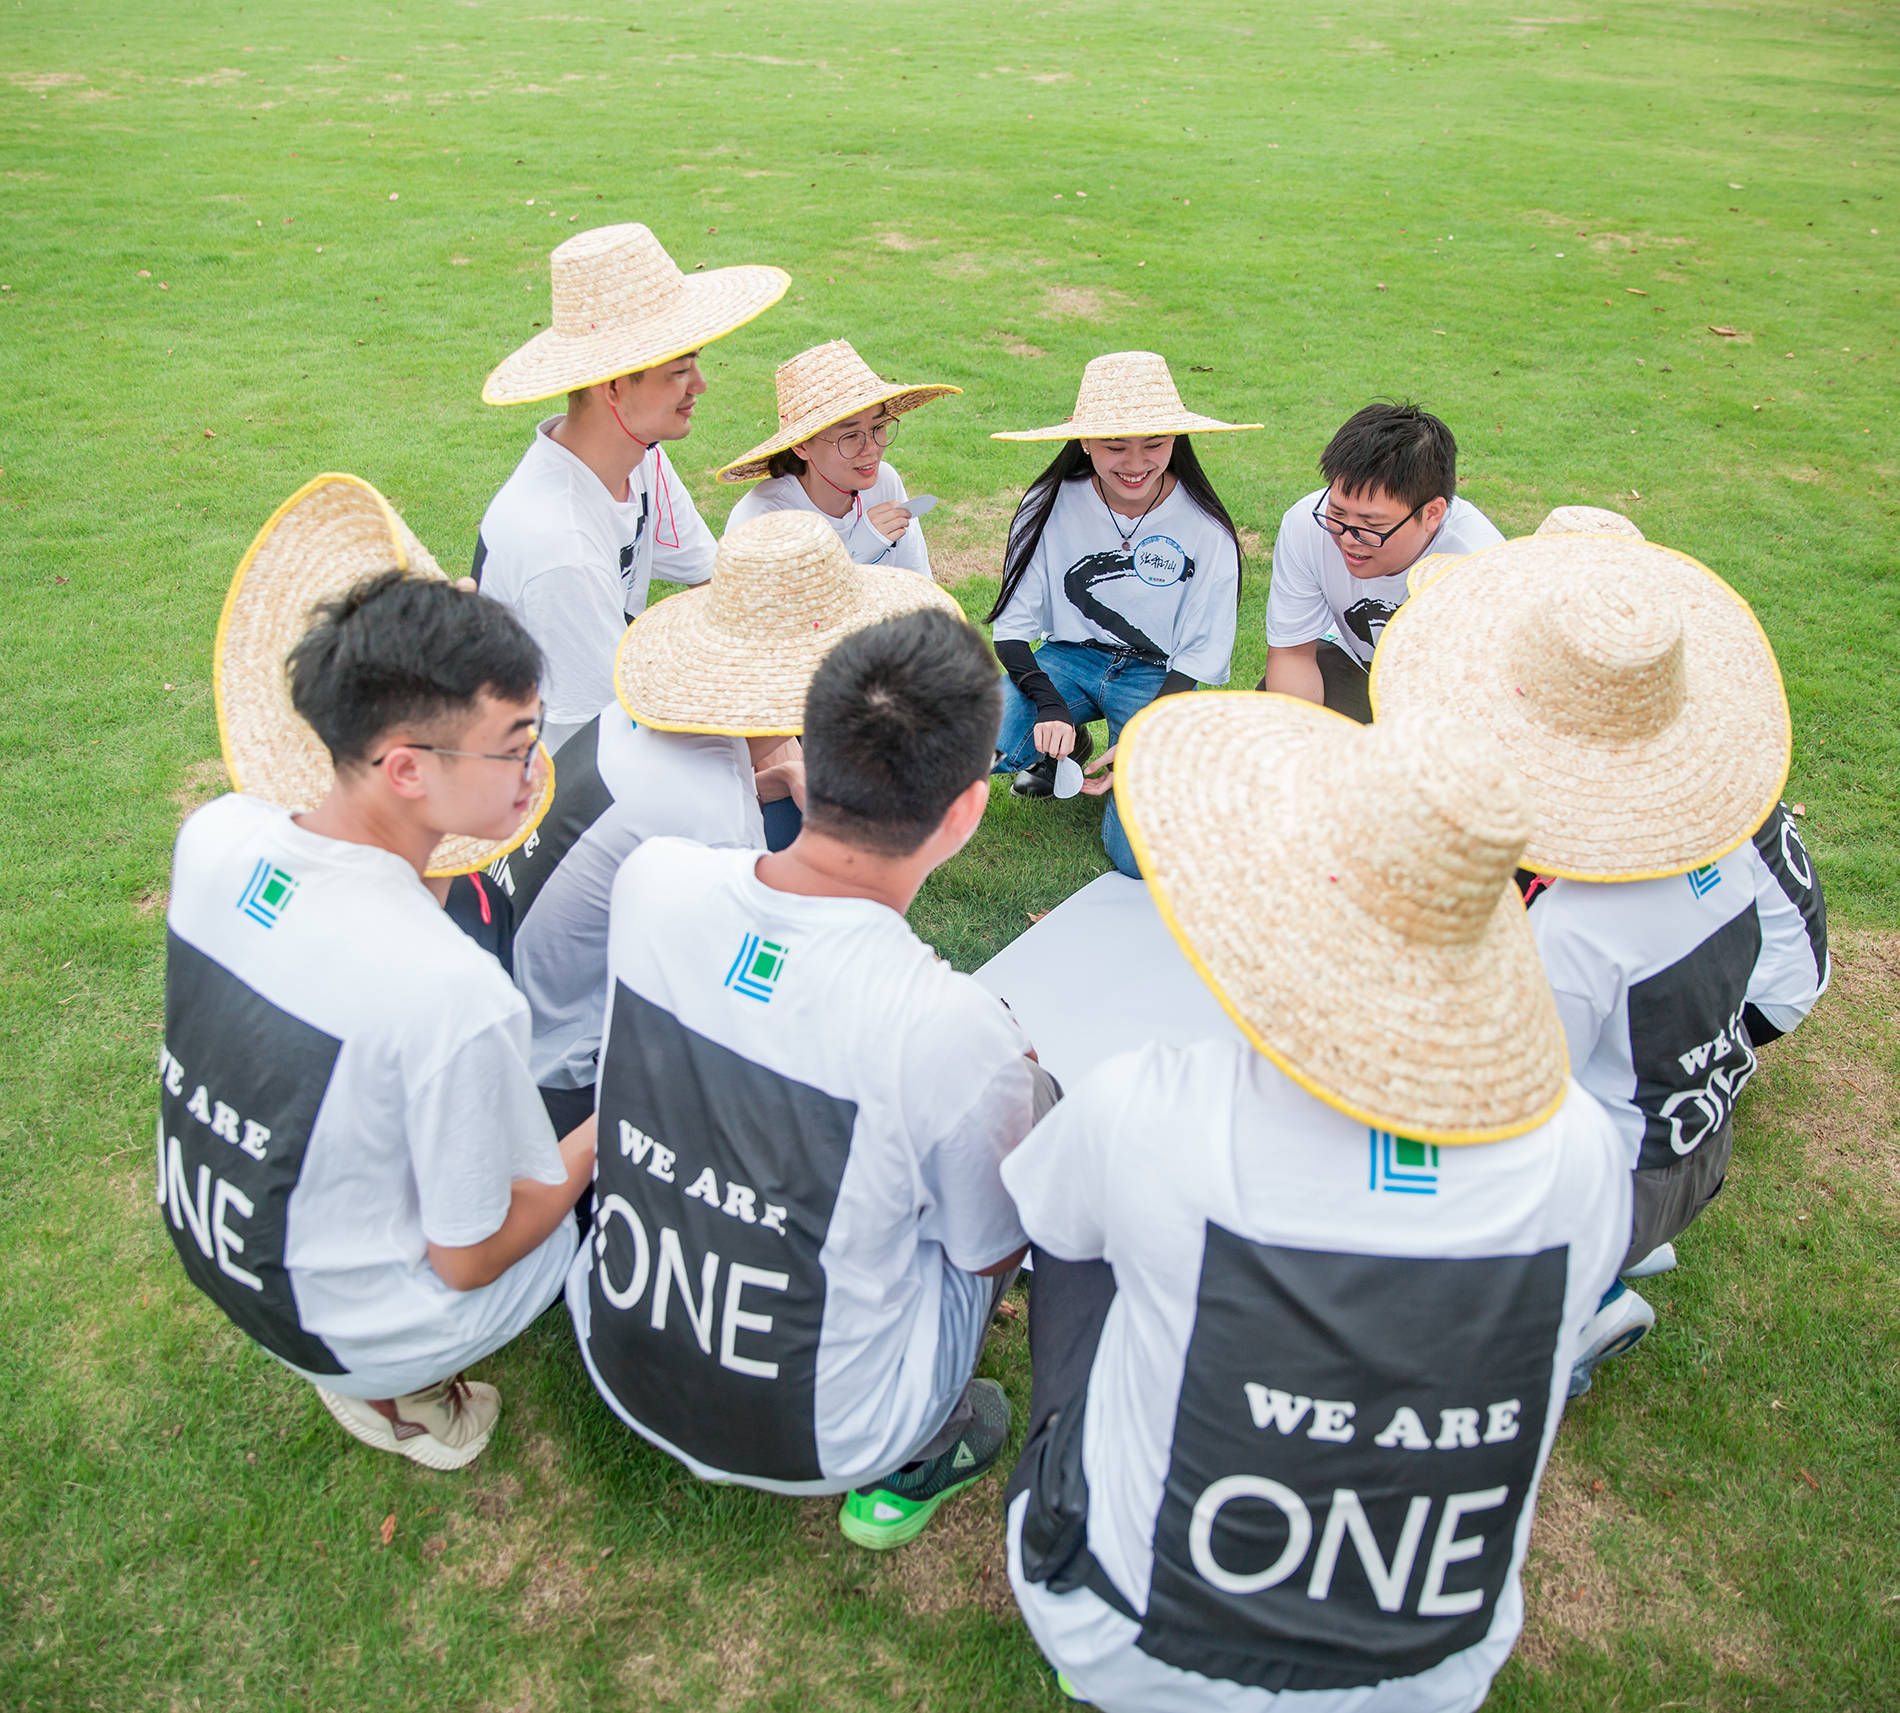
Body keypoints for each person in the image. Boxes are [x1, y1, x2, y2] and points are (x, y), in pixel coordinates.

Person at [1003, 695, 1630, 1712]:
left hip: (1126, 1634)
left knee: (1075, 1237)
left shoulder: (1153, 1108)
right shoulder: (1579, 1152)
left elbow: (1049, 1225)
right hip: (1431, 1670)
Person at [567, 606, 1055, 1551]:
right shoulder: (953, 1028)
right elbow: (988, 1246)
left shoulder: (656, 879)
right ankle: (931, 1442)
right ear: (966, 808)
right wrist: (1020, 1082)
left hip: (617, 1347)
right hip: (831, 1432)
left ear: (808, 749)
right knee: (1030, 1112)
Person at [167, 475, 593, 1470]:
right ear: (407, 768)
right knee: (568, 1224)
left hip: (211, 1236)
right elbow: (472, 1252)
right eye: (515, 745)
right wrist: (602, 1136)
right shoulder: (449, 991)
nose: (534, 766)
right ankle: (397, 1383)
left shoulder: (216, 836)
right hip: (336, 1319)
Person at [1371, 532, 1810, 1394]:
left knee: (1402, 1171)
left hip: (1617, 1186)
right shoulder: (1712, 856)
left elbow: (1500, 1108)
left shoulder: (1573, 935)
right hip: (1698, 1149)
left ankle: (1575, 1304)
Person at [494, 510, 959, 1139]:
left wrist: (771, 779)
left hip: (523, 993)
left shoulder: (644, 725)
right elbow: (746, 986)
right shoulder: (707, 805)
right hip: (566, 1071)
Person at [474, 223, 790, 753]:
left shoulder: (641, 457)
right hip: (553, 787)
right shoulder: (558, 545)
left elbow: (715, 586)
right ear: (614, 385)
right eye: (679, 370)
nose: (701, 386)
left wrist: (780, 732)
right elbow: (596, 740)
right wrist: (760, 751)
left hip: (617, 731)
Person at [987, 351, 1257, 876]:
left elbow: (1200, 654)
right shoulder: (1047, 502)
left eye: (1154, 443)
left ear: (1177, 439)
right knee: (976, 747)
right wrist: (1049, 706)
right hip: (1069, 660)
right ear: (1084, 442)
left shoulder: (1207, 529)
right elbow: (1013, 628)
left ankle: (1173, 769)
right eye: (1114, 446)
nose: (1135, 463)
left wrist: (1143, 735)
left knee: (1138, 861)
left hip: (1158, 679)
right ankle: (1070, 743)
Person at [1260, 401, 1502, 722]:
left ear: (1432, 514)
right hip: (1355, 665)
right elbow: (1293, 655)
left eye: (1372, 527)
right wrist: (1300, 744)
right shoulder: (1306, 524)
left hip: (1455, 702)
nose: (1348, 538)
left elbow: (1487, 703)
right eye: (1337, 513)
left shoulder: (1480, 569)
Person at [717, 339, 958, 578]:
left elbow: (919, 585)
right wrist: (858, 549)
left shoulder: (885, 482)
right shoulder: (763, 520)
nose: (871, 448)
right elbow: (773, 613)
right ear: (801, 446)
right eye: (851, 435)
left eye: (879, 426)